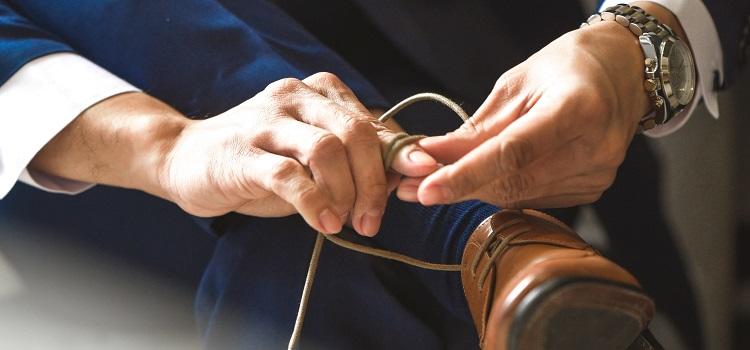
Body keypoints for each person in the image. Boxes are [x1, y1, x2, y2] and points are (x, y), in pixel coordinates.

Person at [0, 0, 746, 348]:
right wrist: (167, 147)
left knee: (306, 241)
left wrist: (637, 45)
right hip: (148, 263)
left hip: (548, 158)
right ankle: (478, 241)